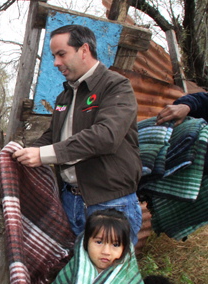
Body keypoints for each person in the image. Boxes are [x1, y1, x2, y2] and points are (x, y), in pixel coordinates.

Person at [12, 24, 143, 244]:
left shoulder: (115, 86)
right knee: (76, 272)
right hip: (70, 201)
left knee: (109, 275)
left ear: (84, 50)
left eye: (61, 54)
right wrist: (26, 152)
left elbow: (105, 136)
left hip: (110, 202)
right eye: (54, 56)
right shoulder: (65, 95)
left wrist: (44, 155)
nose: (56, 63)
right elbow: (54, 136)